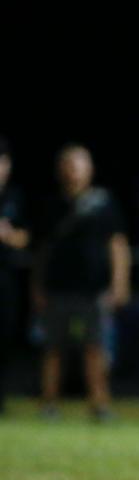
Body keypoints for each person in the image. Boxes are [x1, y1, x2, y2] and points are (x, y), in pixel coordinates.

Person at [33, 144, 131, 421]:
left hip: (94, 289)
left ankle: (99, 405)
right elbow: (43, 250)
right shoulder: (51, 205)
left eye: (78, 164)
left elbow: (118, 244)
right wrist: (37, 287)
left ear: (90, 169)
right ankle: (49, 404)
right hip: (57, 288)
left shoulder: (104, 203)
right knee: (53, 349)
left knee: (96, 348)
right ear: (59, 170)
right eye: (67, 164)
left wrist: (119, 282)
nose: (72, 170)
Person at [0, 137, 30, 416]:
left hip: (5, 277)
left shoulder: (15, 197)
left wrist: (9, 235)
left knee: (5, 336)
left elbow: (28, 237)